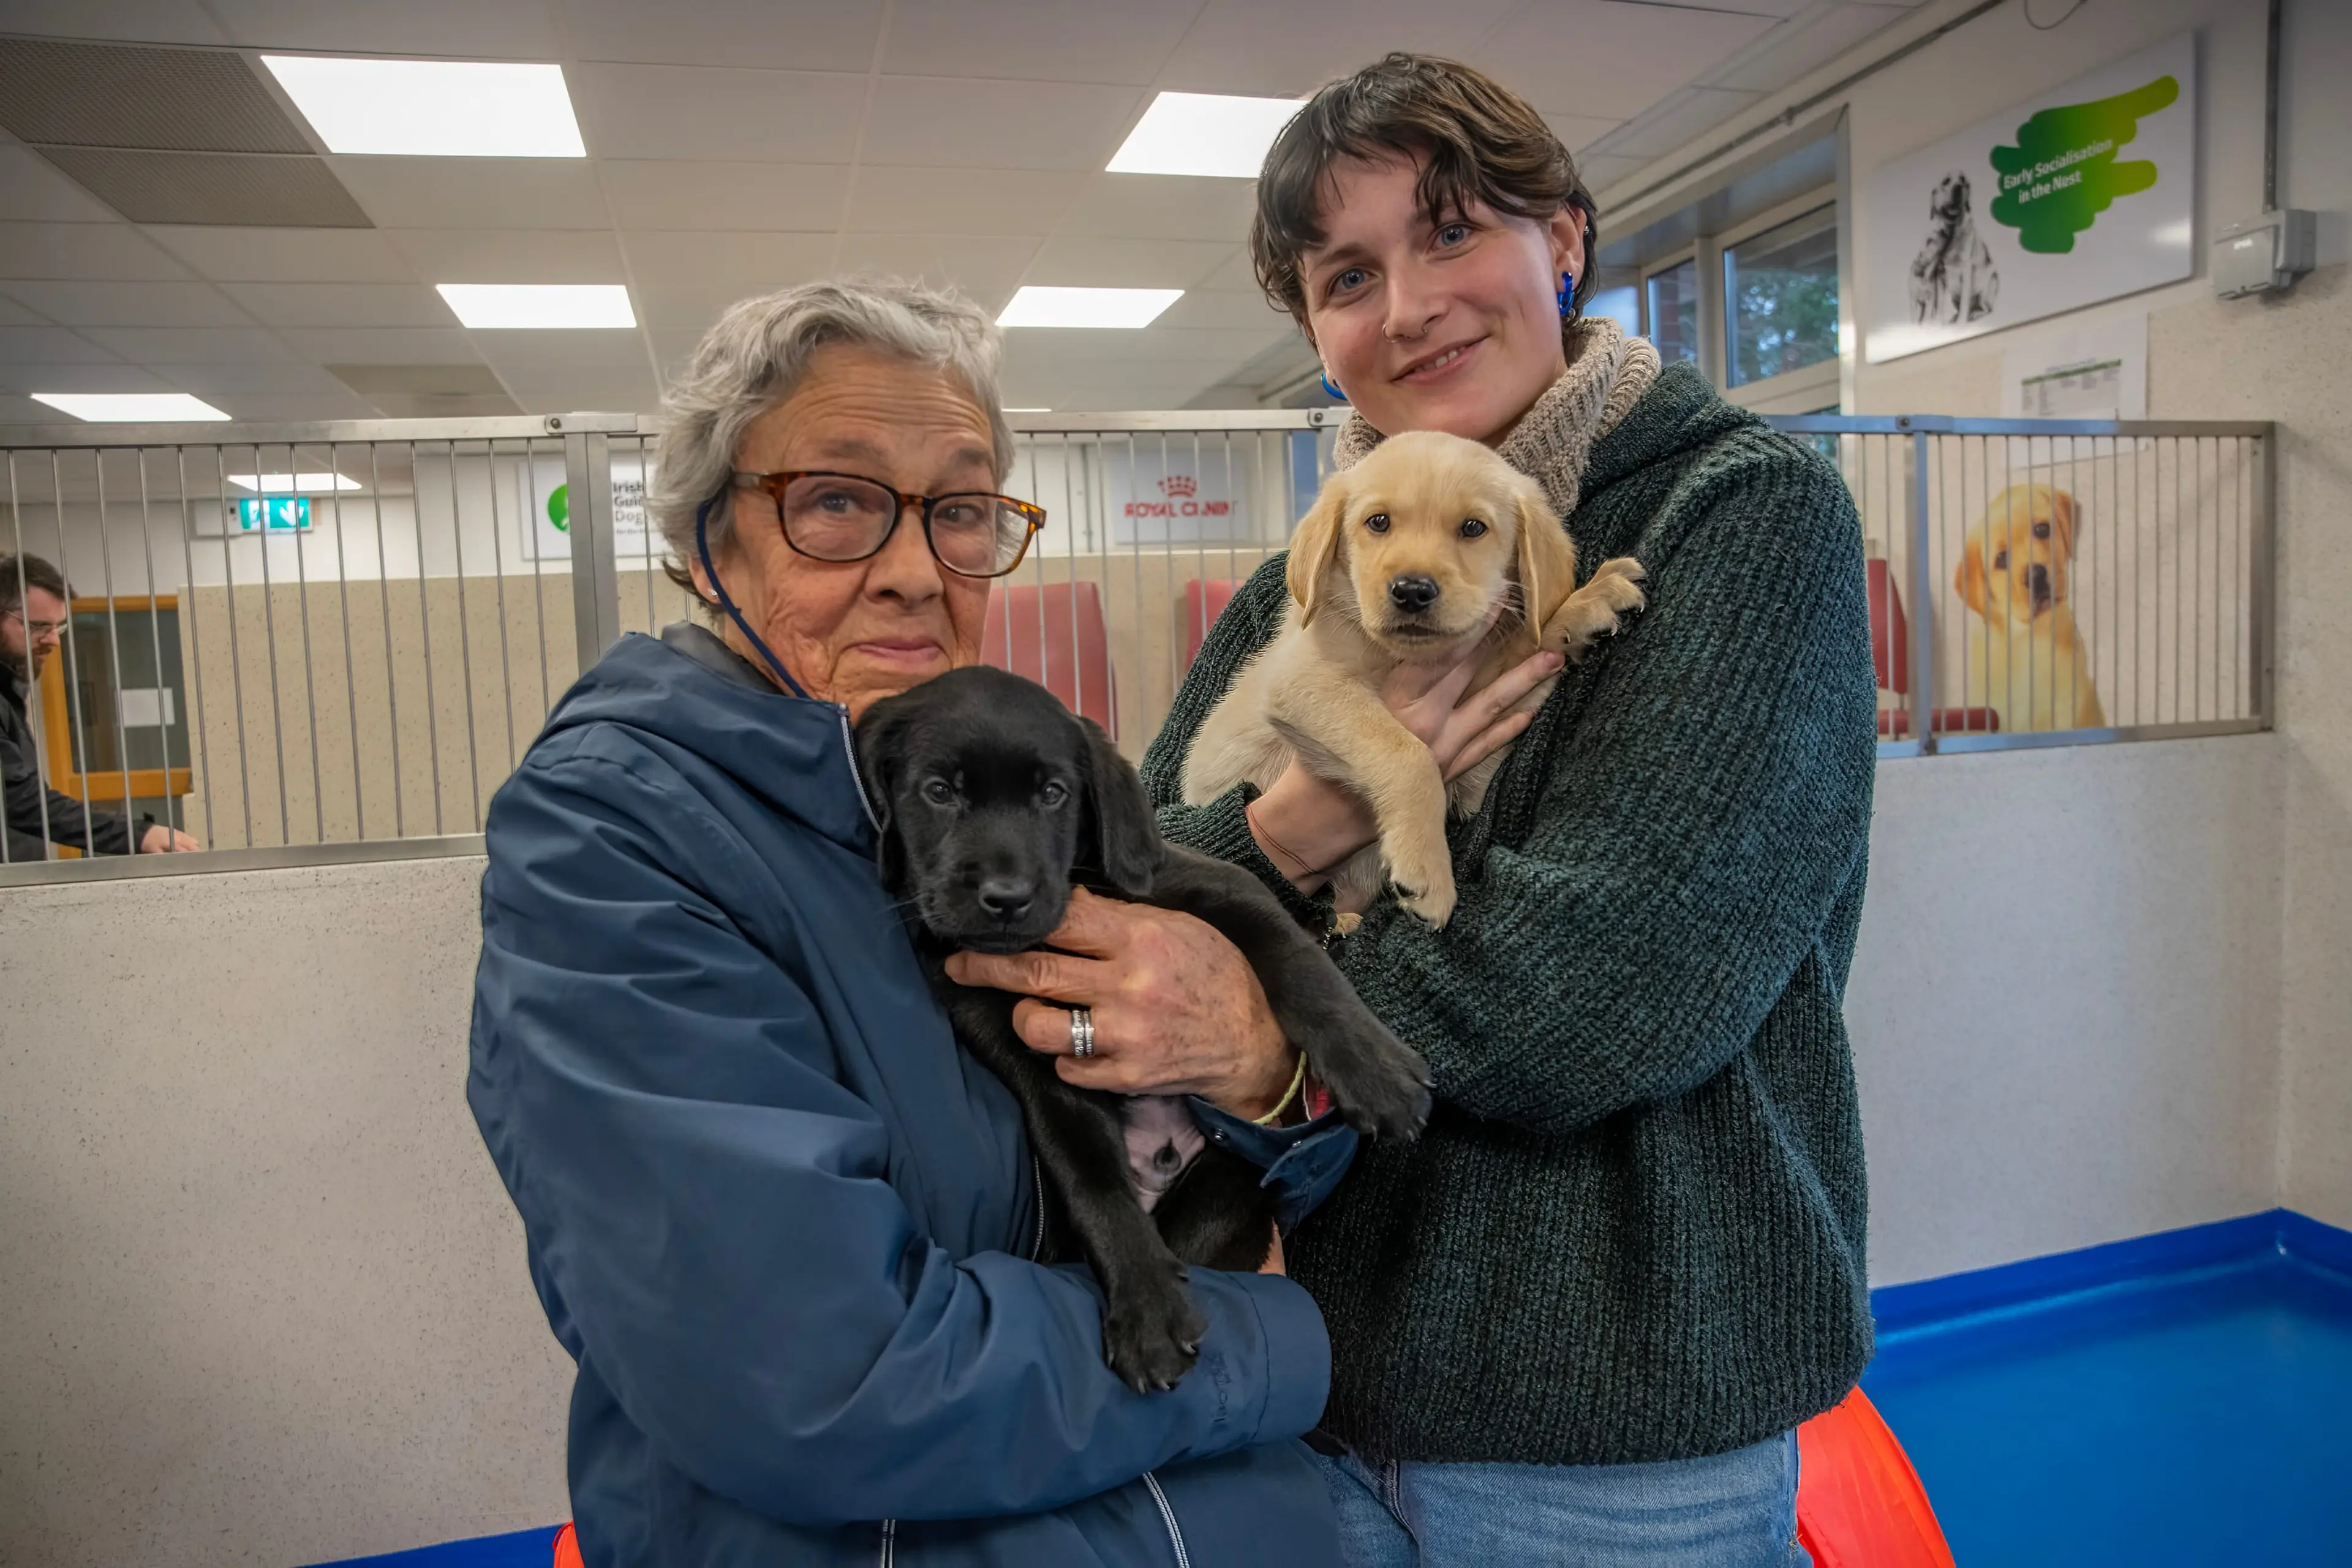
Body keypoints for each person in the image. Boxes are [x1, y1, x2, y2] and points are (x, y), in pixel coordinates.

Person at [986, 54, 1876, 1566]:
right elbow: (1130, 884)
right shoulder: (1300, 576)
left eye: (1453, 232)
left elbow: (1610, 985)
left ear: (1566, 239)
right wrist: (1291, 830)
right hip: (1290, 1383)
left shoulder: (1737, 515)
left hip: (1601, 1440)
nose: (1407, 306)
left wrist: (1264, 1028)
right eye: (1348, 274)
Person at [467, 278, 1362, 1567]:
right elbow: (822, 1377)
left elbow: (1231, 1162)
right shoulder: (613, 843)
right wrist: (1272, 1338)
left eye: (958, 510)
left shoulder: (990, 782)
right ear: (706, 536)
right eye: (835, 502)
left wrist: (1263, 1073)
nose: (911, 572)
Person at [2, 552, 198, 862]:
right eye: (39, 626)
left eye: (58, 627)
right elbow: (17, 799)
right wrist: (137, 834)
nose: (53, 640)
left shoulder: (9, 695)